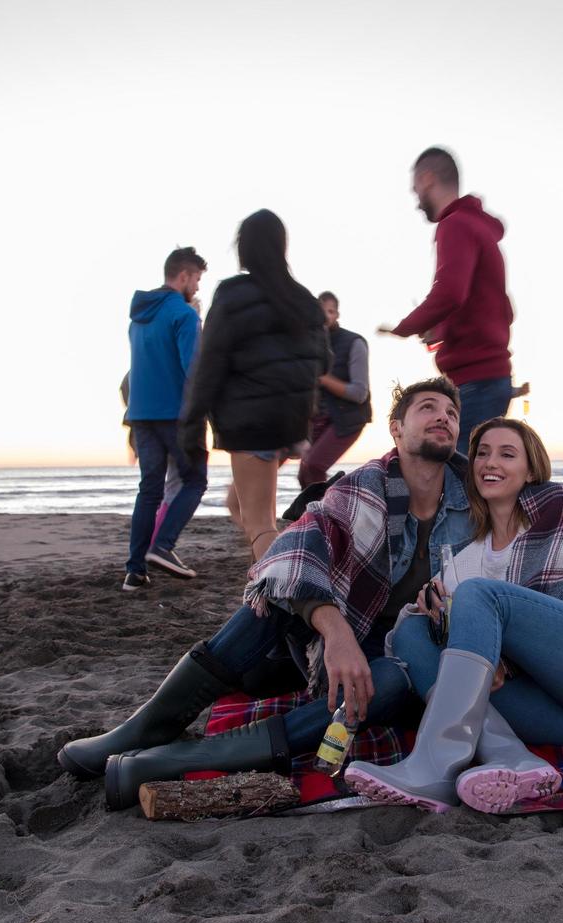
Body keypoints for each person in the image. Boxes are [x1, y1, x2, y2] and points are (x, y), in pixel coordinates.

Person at [57, 379, 475, 811]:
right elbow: (295, 548)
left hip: (410, 653)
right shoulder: (363, 486)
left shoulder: (476, 498)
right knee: (274, 599)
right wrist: (335, 632)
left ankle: (178, 758)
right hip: (343, 634)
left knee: (390, 680)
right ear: (396, 429)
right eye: (428, 407)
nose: (443, 416)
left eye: (452, 412)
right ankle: (146, 728)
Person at [344, 417, 563, 814]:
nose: (489, 462)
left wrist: (505, 660)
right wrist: (433, 614)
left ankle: (435, 761)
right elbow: (429, 635)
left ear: (530, 469)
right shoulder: (468, 559)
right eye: (481, 453)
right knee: (412, 628)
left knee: (479, 596)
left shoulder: (554, 506)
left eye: (506, 453)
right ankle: (512, 758)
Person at [180, 210, 330, 561]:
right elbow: (323, 362)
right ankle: (265, 584)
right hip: (289, 423)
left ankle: (282, 591)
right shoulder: (303, 299)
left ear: (243, 249)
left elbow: (209, 365)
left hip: (250, 423)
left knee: (259, 523)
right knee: (238, 503)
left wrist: (190, 427)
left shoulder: (234, 295)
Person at [382, 146, 516, 454]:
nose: (416, 201)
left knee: (450, 477)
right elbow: (502, 309)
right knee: (466, 479)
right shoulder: (478, 228)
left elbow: (450, 293)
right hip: (489, 376)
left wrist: (404, 327)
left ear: (428, 179)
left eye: (415, 189)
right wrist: (441, 329)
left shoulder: (455, 224)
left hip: (477, 379)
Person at [121, 246, 209, 592]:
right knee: (195, 480)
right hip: (175, 415)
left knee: (150, 490)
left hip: (141, 414)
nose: (198, 287)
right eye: (198, 279)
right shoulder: (184, 315)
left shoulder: (139, 317)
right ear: (184, 276)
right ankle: (163, 547)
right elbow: (194, 371)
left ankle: (134, 571)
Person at [298, 291, 371, 488]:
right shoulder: (307, 345)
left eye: (330, 311)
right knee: (304, 472)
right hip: (317, 419)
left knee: (314, 466)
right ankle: (312, 514)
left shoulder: (354, 342)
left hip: (348, 418)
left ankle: (326, 513)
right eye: (320, 312)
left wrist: (323, 379)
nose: (325, 316)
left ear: (337, 314)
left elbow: (359, 393)